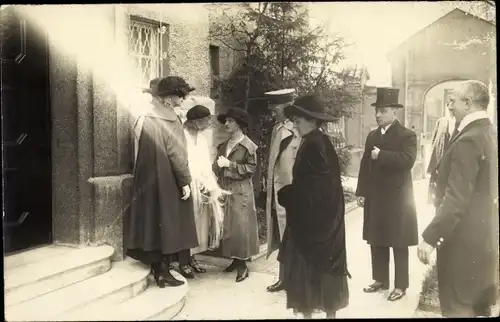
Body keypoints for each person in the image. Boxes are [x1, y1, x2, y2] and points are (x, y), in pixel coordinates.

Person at [417, 80, 499, 317]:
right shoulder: (488, 132)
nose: (449, 106)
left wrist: (430, 237)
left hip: (461, 247)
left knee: (458, 309)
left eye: (452, 101)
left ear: (468, 102)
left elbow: (455, 199)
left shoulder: (468, 140)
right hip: (482, 244)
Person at [277, 94, 350, 319]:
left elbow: (314, 191)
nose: (295, 125)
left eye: (298, 121)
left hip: (315, 227)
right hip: (323, 222)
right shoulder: (317, 141)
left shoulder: (315, 144)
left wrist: (286, 195)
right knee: (320, 277)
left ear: (311, 121)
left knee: (311, 276)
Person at [126, 76, 199, 287]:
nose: (183, 99)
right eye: (180, 95)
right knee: (169, 222)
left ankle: (158, 270)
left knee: (153, 221)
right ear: (168, 98)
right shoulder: (171, 118)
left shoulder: (147, 116)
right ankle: (164, 272)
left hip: (147, 177)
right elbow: (176, 152)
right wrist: (184, 180)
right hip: (167, 177)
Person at [355, 87, 418, 302]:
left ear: (395, 112)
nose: (378, 114)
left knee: (398, 241)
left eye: (383, 110)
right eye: (377, 110)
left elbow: (408, 161)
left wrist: (382, 155)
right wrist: (361, 191)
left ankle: (401, 285)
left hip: (398, 198)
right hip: (375, 196)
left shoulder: (407, 135)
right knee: (377, 238)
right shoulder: (372, 135)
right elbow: (365, 164)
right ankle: (380, 279)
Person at [213, 107, 260, 283]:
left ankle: (242, 266)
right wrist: (217, 165)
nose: (226, 124)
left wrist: (230, 165)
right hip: (225, 188)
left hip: (241, 190)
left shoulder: (248, 146)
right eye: (226, 121)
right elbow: (217, 167)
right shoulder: (224, 145)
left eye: (230, 121)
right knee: (228, 225)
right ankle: (234, 259)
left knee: (240, 226)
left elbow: (251, 169)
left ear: (239, 124)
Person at [263, 88, 302, 293]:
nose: (272, 113)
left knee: (295, 235)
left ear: (287, 108)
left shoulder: (298, 130)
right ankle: (284, 277)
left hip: (293, 193)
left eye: (275, 109)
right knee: (282, 234)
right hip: (277, 192)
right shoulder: (277, 129)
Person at [183, 104, 229, 274]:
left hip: (200, 186)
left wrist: (210, 185)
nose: (208, 124)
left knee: (198, 223)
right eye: (205, 121)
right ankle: (182, 261)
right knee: (185, 222)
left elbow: (205, 165)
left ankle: (192, 258)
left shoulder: (202, 139)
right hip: (185, 184)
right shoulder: (182, 135)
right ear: (195, 121)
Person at [426, 109, 458, 204]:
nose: (451, 109)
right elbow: (434, 140)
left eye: (453, 105)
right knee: (437, 190)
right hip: (439, 160)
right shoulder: (441, 121)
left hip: (452, 161)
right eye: (449, 105)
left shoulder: (460, 123)